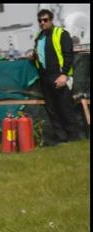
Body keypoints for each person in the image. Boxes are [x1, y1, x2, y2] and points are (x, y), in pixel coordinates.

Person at [31, 9, 80, 143]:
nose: (42, 23)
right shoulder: (39, 37)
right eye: (40, 21)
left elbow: (68, 55)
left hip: (58, 75)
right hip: (44, 77)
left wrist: (64, 75)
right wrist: (33, 55)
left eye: (45, 20)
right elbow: (40, 54)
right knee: (52, 110)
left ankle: (74, 138)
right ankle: (61, 138)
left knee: (65, 108)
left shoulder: (61, 33)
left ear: (51, 20)